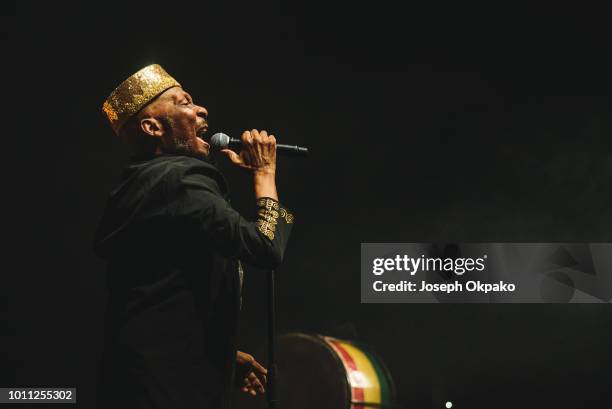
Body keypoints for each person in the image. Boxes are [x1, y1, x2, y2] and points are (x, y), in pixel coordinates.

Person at [94, 64, 294, 409]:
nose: (201, 109)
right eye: (184, 102)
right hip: (169, 388)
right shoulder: (181, 179)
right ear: (152, 126)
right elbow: (265, 247)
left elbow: (162, 293)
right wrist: (265, 174)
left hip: (139, 377)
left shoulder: (142, 186)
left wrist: (219, 351)